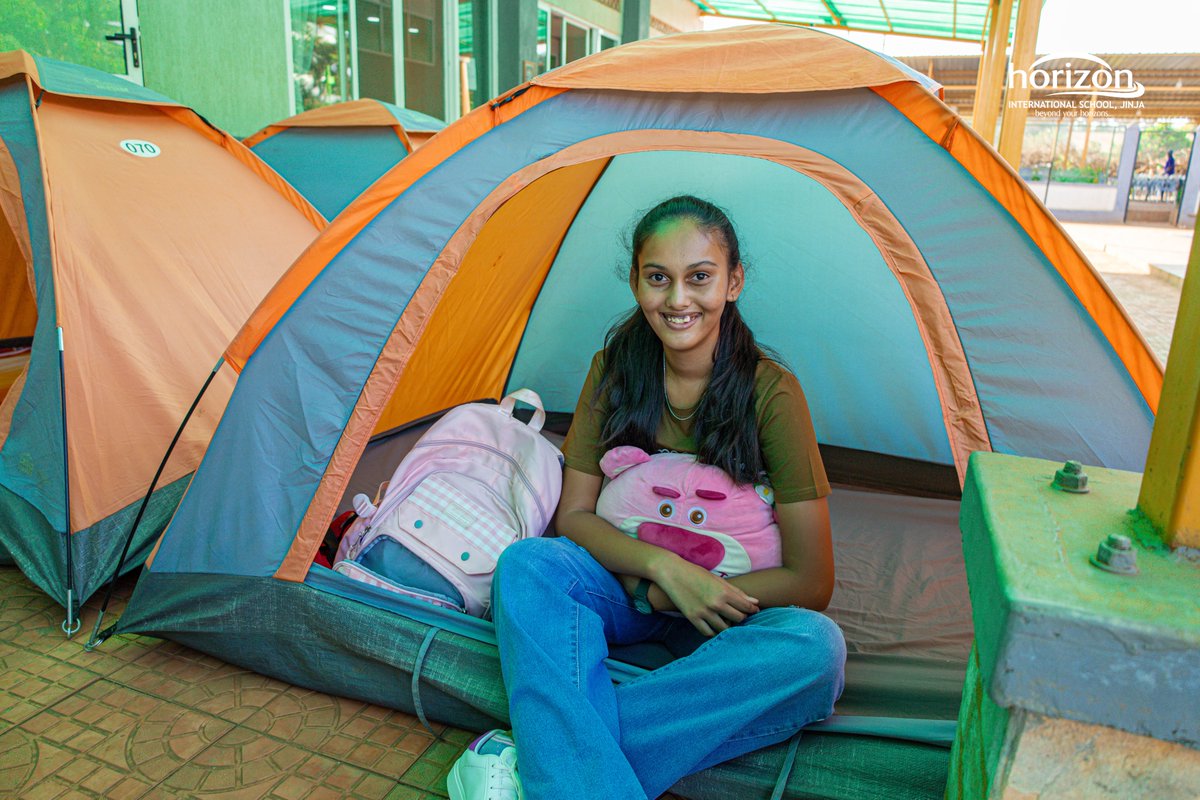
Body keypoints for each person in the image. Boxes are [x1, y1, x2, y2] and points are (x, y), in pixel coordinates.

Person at [447, 196, 846, 800]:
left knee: (815, 650)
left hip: (724, 609)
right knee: (529, 566)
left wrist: (691, 590)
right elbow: (573, 516)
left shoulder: (772, 394)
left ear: (733, 282)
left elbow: (812, 579)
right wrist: (660, 575)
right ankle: (574, 771)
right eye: (658, 278)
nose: (678, 300)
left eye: (700, 278)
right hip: (625, 590)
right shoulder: (613, 370)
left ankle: (544, 761)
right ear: (635, 281)